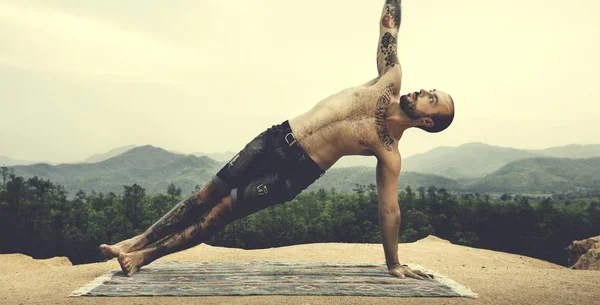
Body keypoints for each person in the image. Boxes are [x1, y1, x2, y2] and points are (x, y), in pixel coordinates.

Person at [100, 0, 454, 280]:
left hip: (294, 173)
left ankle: (143, 257)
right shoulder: (389, 77)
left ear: (426, 120)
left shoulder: (389, 153)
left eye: (431, 99)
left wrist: (393, 263)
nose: (424, 91)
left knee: (221, 210)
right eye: (430, 91)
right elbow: (389, 26)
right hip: (277, 137)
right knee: (207, 192)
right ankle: (136, 241)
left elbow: (390, 210)